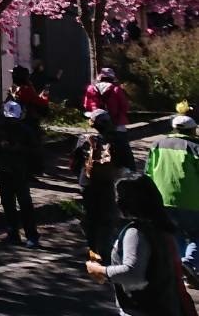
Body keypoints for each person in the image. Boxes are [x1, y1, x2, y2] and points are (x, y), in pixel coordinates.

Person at [86, 174, 198, 316]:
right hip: (166, 307)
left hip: (143, 309)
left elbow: (132, 273)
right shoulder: (161, 226)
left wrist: (99, 270)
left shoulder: (136, 233)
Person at [145, 112, 199, 280]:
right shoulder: (195, 147)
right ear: (193, 130)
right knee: (196, 234)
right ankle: (188, 263)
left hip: (162, 199)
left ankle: (180, 268)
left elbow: (147, 172)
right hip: (192, 201)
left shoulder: (156, 145)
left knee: (175, 235)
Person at [79, 109, 139, 259]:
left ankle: (93, 249)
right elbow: (130, 166)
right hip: (109, 184)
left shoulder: (84, 139)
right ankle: (106, 252)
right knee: (107, 218)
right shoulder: (118, 140)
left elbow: (74, 163)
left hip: (88, 183)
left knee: (91, 216)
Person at [0, 100, 42, 248]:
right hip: (3, 170)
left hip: (20, 172)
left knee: (25, 204)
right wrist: (0, 145)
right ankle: (12, 234)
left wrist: (19, 148)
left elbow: (35, 150)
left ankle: (32, 235)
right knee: (8, 204)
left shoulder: (26, 131)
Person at [86, 69, 132, 133]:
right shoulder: (116, 89)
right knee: (121, 140)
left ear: (100, 78)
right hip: (116, 121)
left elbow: (86, 105)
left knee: (98, 139)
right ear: (112, 78)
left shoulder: (91, 88)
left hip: (97, 121)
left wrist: (94, 112)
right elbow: (124, 106)